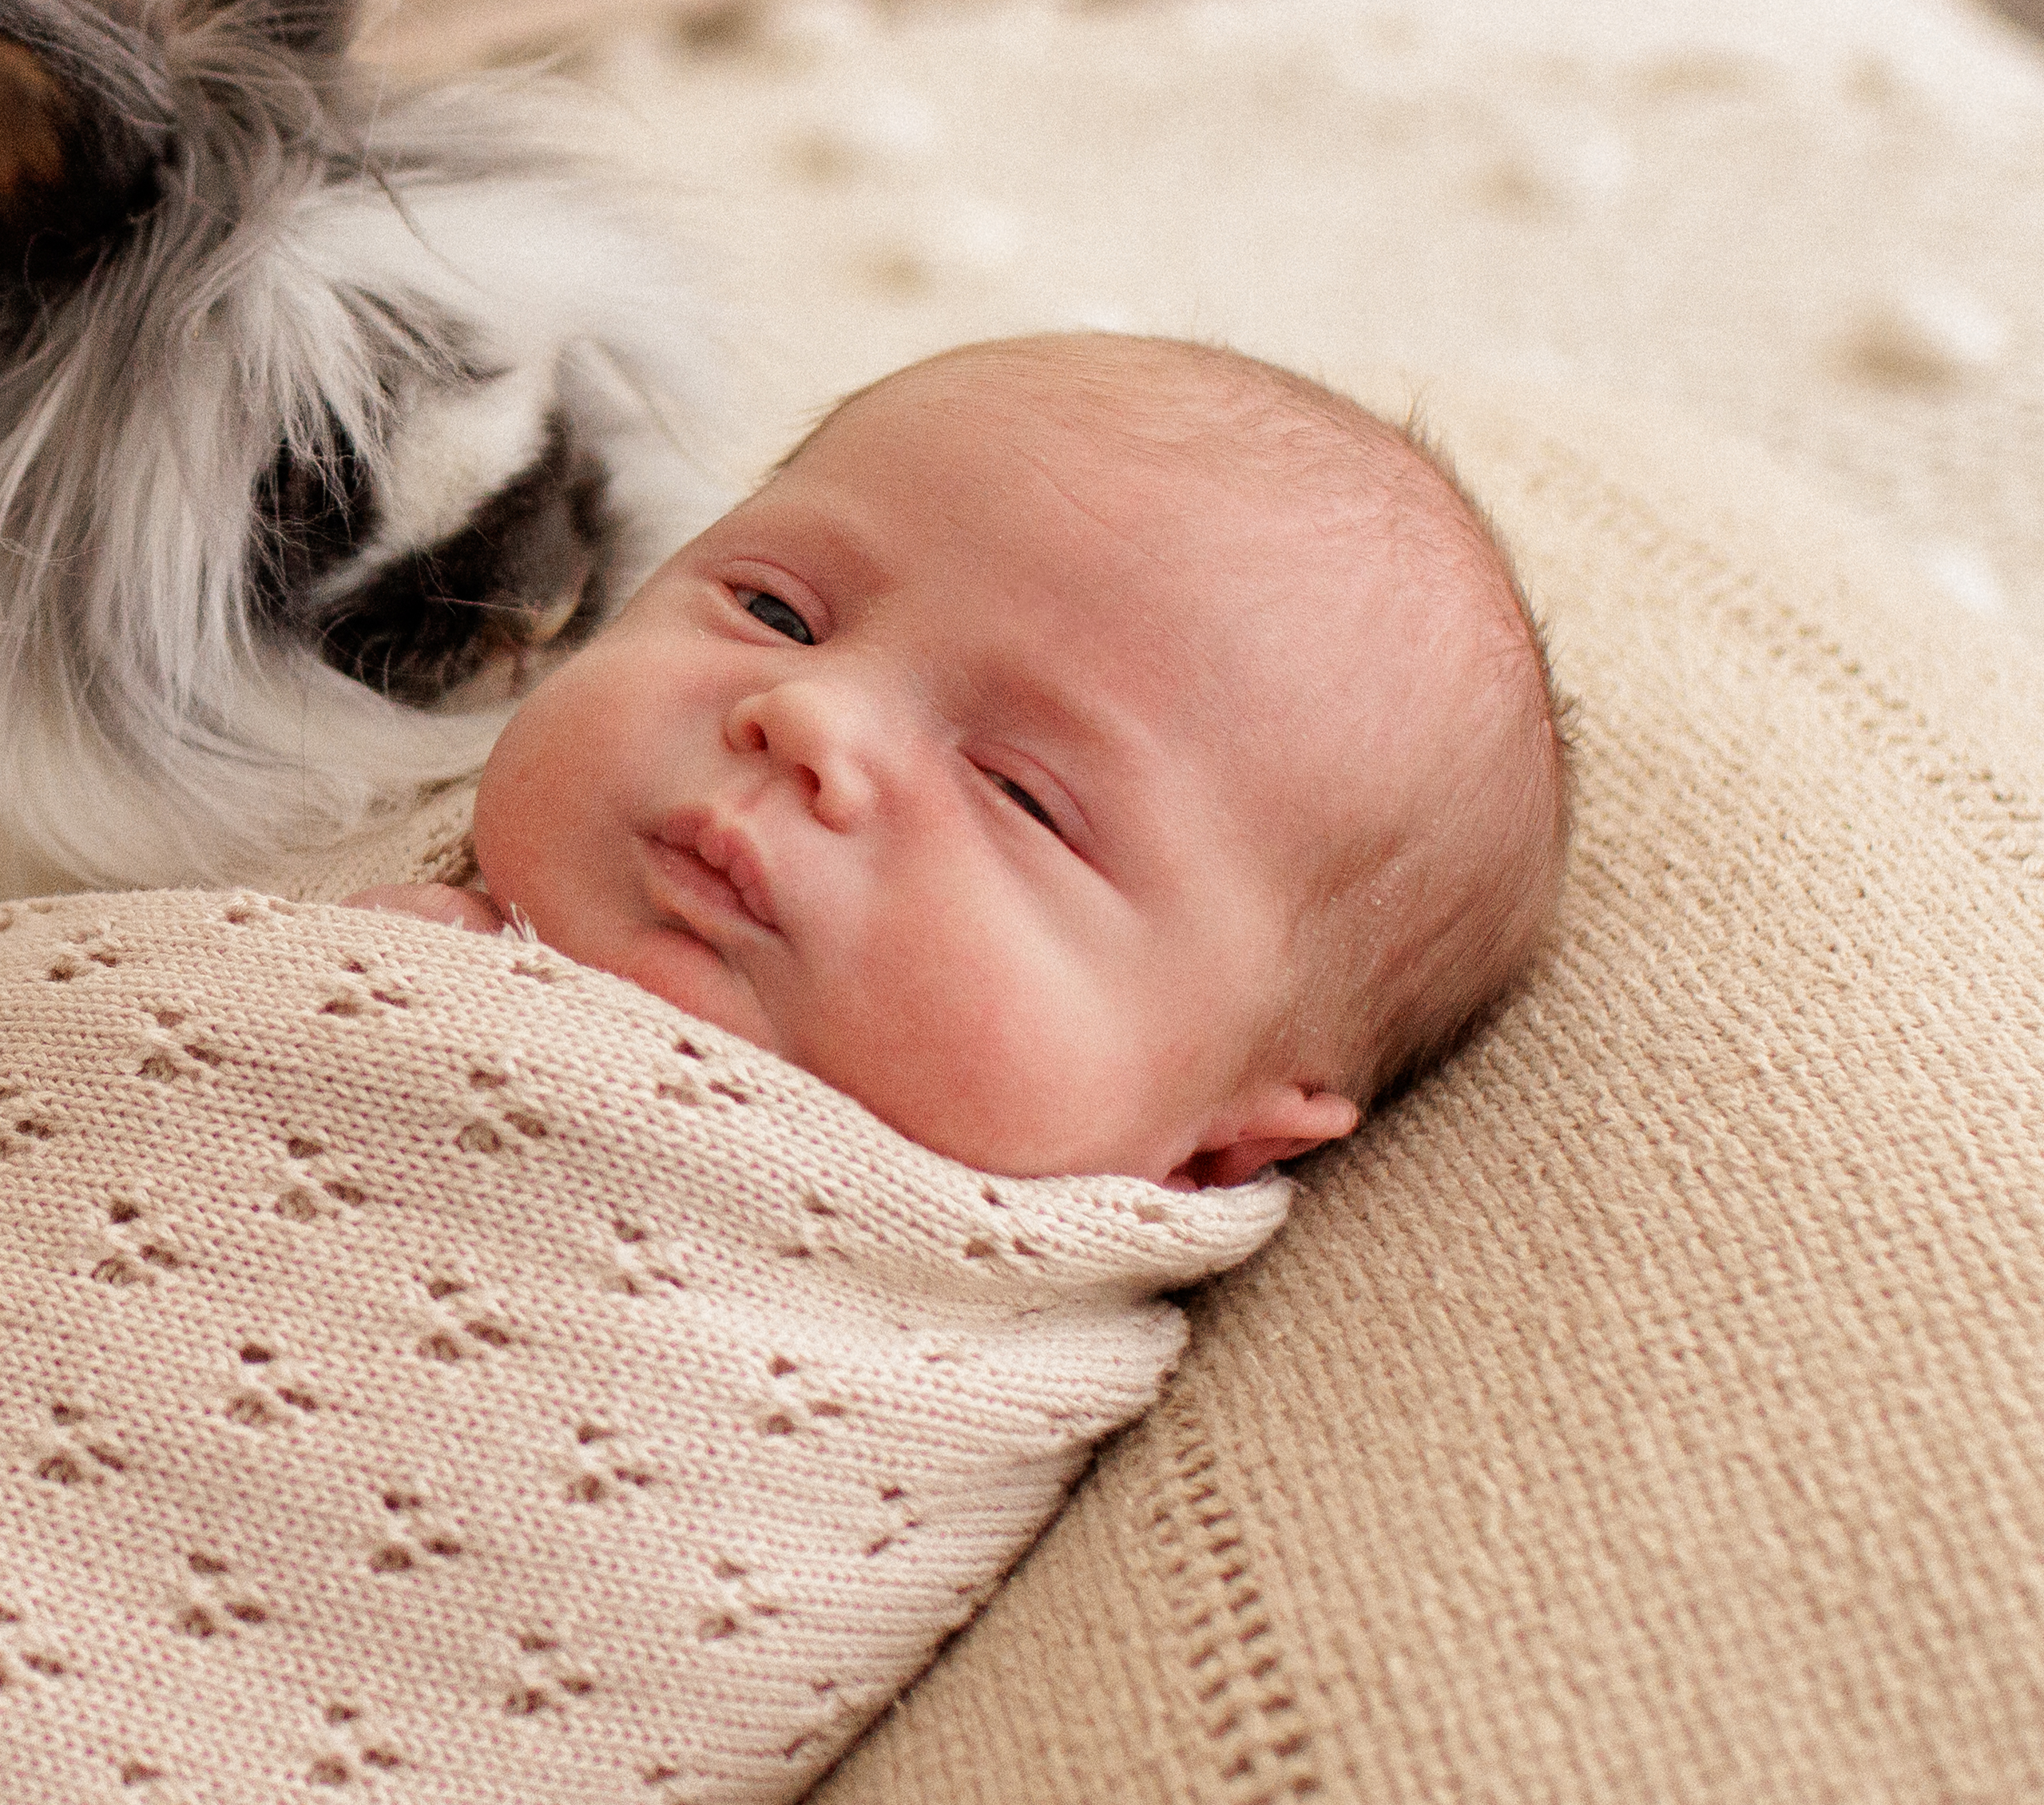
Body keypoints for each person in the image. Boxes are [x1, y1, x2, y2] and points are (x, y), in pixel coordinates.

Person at [351, 329, 1566, 1186]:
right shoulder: (332, 860)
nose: (811, 720)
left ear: (1216, 1147)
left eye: (1022, 796)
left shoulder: (967, 1337)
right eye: (776, 613)